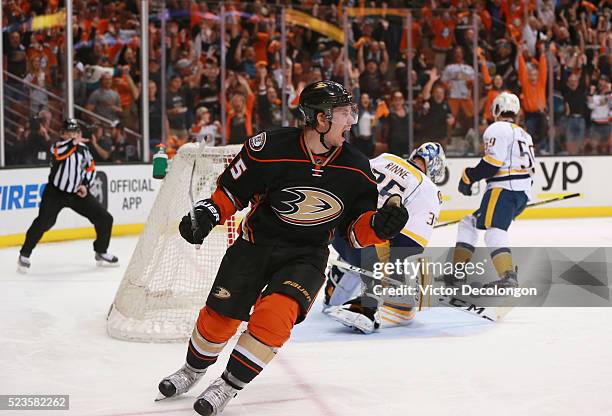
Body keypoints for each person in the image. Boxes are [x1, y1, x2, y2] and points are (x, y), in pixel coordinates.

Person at [156, 81, 408, 415]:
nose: (351, 121)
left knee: (276, 316)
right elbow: (232, 191)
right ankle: (192, 370)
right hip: (255, 245)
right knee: (218, 320)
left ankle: (228, 385)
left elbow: (354, 233)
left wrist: (378, 228)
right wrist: (208, 213)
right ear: (320, 119)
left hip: (307, 255)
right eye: (345, 113)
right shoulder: (268, 147)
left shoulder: (358, 169)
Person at [322, 142, 446, 334]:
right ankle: (371, 307)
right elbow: (408, 248)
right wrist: (400, 282)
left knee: (364, 246)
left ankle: (336, 285)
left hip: (337, 229)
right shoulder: (429, 190)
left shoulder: (386, 158)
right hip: (367, 243)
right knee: (413, 270)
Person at [448, 92, 535, 289]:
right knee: (468, 223)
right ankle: (457, 274)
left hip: (503, 189)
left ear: (496, 109)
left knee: (494, 232)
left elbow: (492, 164)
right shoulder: (524, 134)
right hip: (519, 192)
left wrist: (469, 176)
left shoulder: (496, 128)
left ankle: (507, 277)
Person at [18, 119, 118, 273]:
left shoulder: (84, 149)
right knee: (44, 222)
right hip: (55, 193)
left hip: (76, 193)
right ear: (62, 134)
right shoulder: (57, 147)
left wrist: (85, 185)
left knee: (105, 218)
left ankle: (101, 251)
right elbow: (61, 154)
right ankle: (24, 254)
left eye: (75, 132)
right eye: (69, 132)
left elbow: (90, 168)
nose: (73, 135)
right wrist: (73, 142)